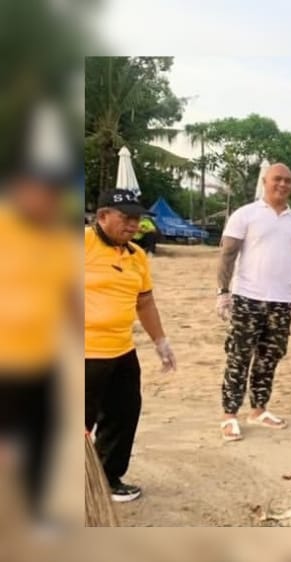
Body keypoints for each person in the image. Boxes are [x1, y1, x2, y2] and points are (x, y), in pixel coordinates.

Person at [0, 115, 76, 519]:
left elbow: (67, 294)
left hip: (41, 358)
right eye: (39, 190)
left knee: (42, 439)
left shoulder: (57, 237)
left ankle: (35, 513)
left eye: (52, 192)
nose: (45, 199)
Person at [215, 163, 291, 441]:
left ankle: (259, 409)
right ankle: (229, 415)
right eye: (277, 179)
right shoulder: (246, 215)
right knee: (239, 357)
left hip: (283, 301)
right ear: (265, 181)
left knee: (269, 357)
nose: (283, 185)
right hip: (248, 298)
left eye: (288, 180)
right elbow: (227, 253)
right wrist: (222, 291)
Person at [85, 189, 177, 502]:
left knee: (123, 414)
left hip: (122, 350)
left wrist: (161, 341)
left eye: (137, 218)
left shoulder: (137, 256)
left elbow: (145, 301)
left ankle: (107, 478)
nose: (133, 224)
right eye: (126, 217)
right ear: (102, 216)